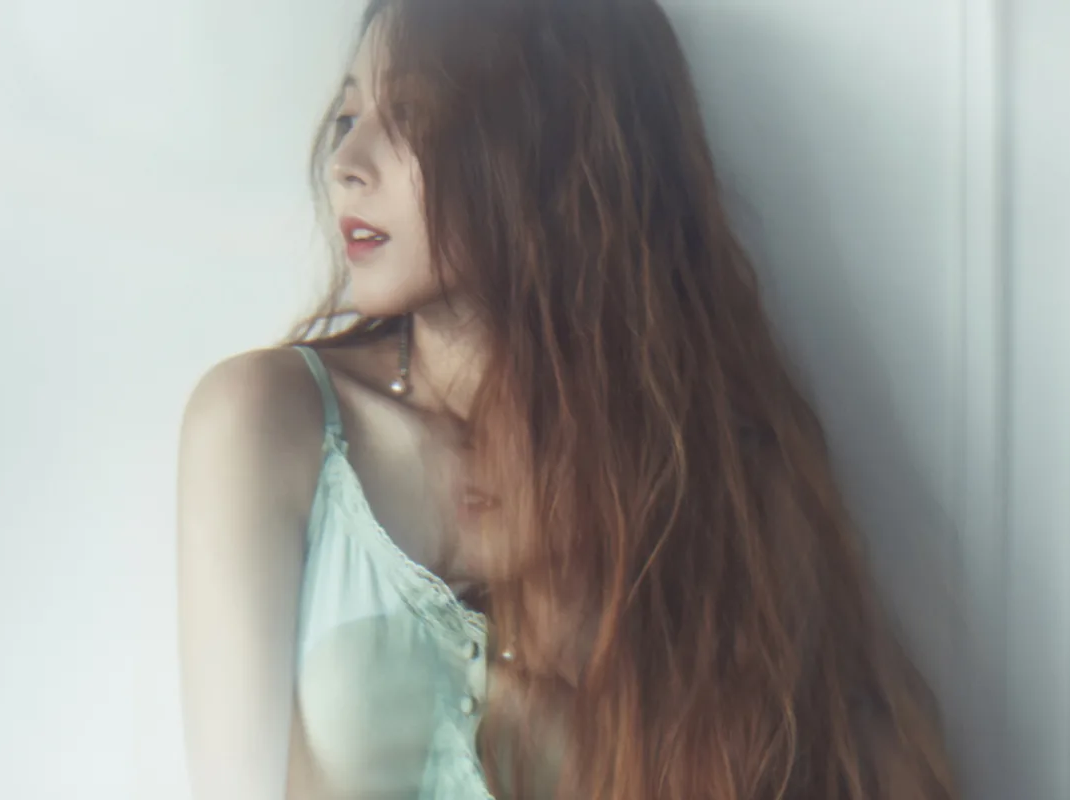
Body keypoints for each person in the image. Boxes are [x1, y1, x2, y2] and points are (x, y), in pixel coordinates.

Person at [176, 0, 959, 798]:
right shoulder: (266, 419)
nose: (347, 161)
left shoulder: (708, 483)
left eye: (411, 116)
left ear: (547, 146)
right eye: (348, 117)